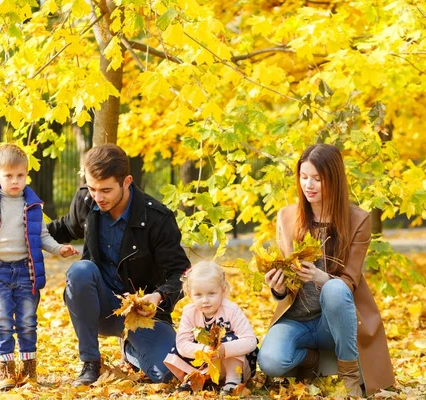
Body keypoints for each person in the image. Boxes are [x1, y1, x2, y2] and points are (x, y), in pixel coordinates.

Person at [257, 144, 395, 397]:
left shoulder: (358, 220)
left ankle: (349, 374)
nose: (308, 185)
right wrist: (277, 288)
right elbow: (286, 279)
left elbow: (350, 281)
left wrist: (323, 278)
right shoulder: (287, 217)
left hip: (335, 325)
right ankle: (311, 360)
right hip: (296, 320)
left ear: (334, 178)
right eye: (304, 176)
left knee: (334, 288)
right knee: (270, 362)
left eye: (317, 179)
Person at [47, 143, 190, 386]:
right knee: (81, 271)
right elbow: (61, 228)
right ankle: (90, 361)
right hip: (100, 306)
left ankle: (130, 349)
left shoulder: (156, 218)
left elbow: (180, 273)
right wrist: (14, 238)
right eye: (92, 188)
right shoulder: (86, 200)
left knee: (167, 375)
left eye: (105, 190)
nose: (97, 197)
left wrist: (158, 297)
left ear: (126, 182)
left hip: (141, 313)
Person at [0, 143, 79, 391]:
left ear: (26, 175)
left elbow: (41, 236)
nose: (15, 181)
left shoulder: (32, 205)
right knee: (1, 320)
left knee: (28, 321)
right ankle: (6, 370)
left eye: (20, 175)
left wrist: (58, 249)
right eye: (8, 176)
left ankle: (28, 368)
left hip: (25, 271)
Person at [164, 261, 258, 395]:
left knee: (228, 338)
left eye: (211, 293)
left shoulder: (231, 310)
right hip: (205, 361)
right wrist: (202, 350)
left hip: (231, 365)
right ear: (190, 294)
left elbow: (250, 340)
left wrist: (224, 349)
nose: (205, 300)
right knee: (181, 343)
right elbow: (182, 344)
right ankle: (196, 377)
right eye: (198, 295)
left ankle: (233, 381)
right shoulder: (189, 312)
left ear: (223, 290)